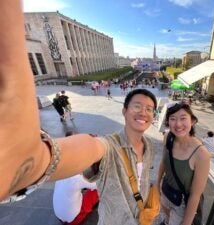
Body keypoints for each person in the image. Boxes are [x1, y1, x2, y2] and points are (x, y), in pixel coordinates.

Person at [0, 4, 158, 224]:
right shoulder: (107, 146)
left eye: (149, 108)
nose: (144, 112)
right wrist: (32, 162)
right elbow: (85, 149)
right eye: (137, 106)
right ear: (124, 110)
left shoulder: (149, 146)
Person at [156, 102, 210, 225]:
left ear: (193, 121)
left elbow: (195, 196)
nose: (178, 124)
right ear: (168, 122)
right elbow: (164, 162)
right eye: (173, 119)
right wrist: (157, 184)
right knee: (167, 220)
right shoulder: (168, 137)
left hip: (182, 204)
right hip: (166, 192)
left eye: (183, 118)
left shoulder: (201, 154)